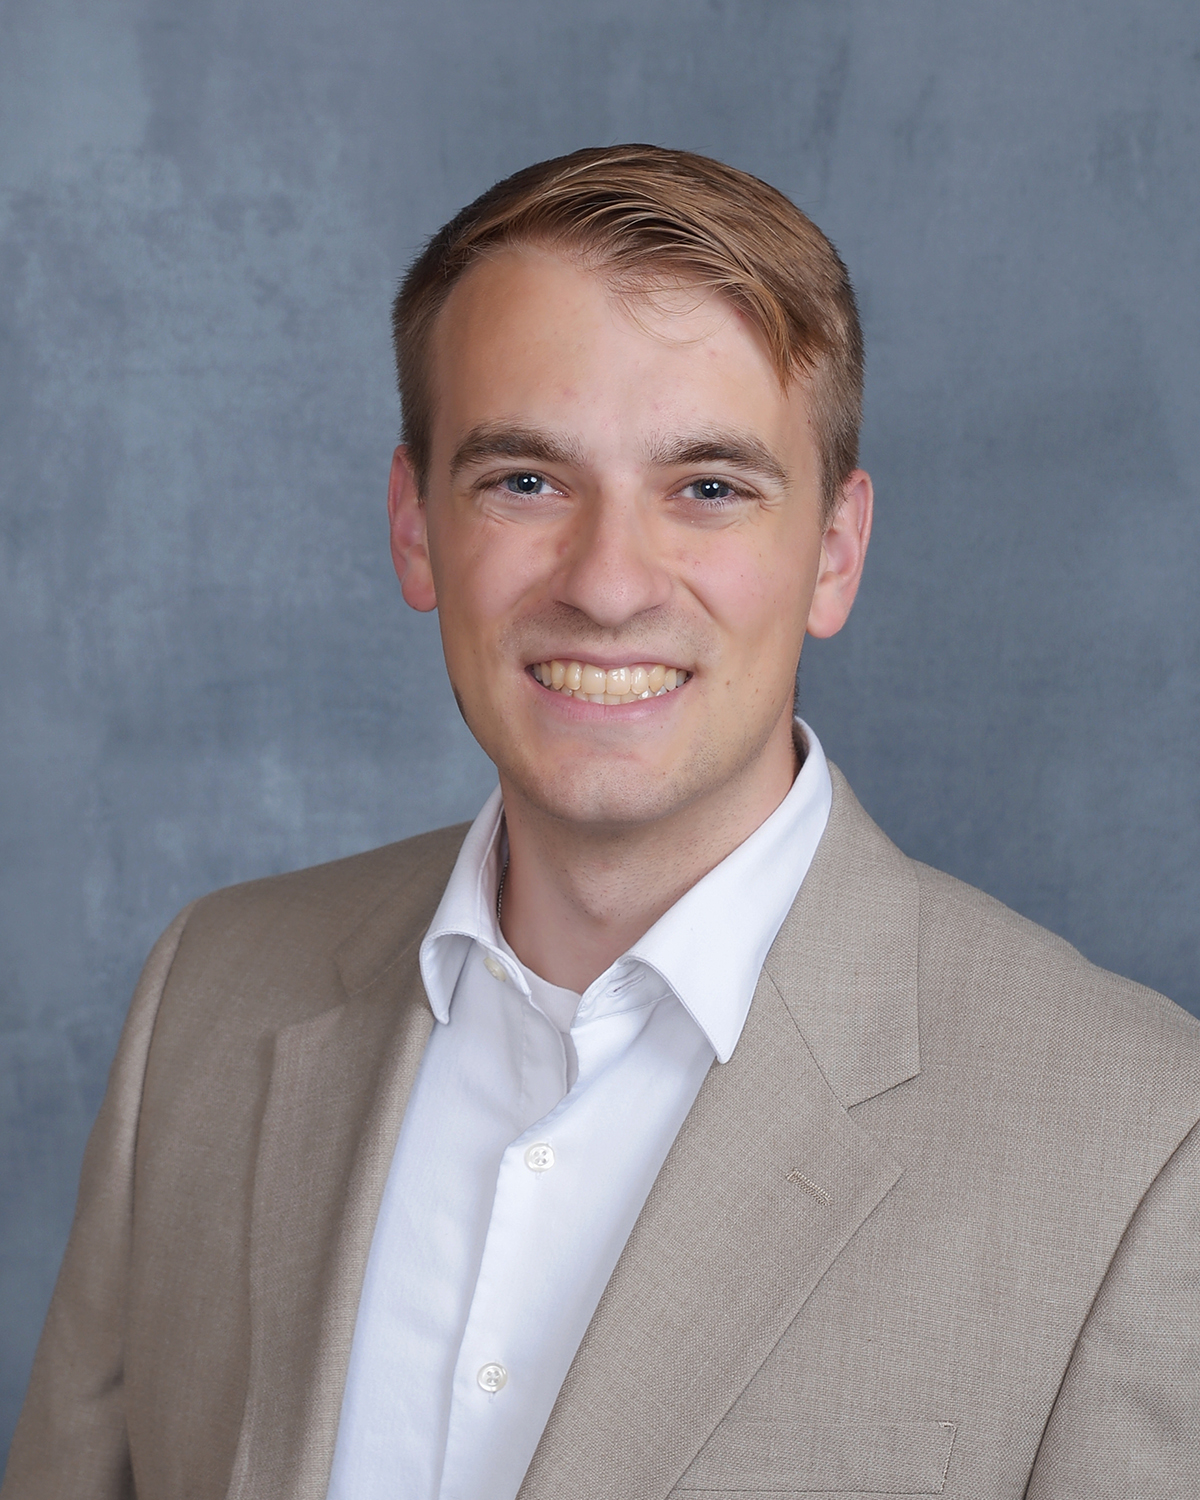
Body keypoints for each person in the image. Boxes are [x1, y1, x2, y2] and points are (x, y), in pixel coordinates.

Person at [4, 144, 1199, 1500]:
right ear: (415, 527)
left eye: (709, 488)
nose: (610, 584)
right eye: (526, 480)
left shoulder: (1138, 1155)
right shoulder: (207, 999)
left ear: (835, 552)